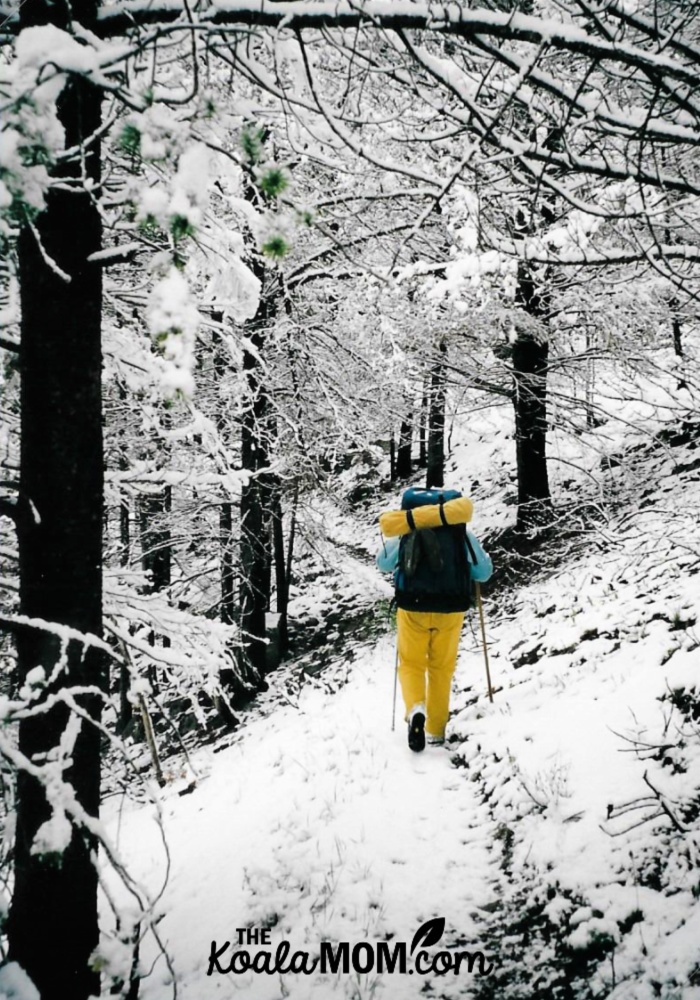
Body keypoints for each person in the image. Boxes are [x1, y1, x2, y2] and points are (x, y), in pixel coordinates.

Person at [377, 505, 492, 752]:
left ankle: (416, 708)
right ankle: (437, 731)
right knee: (441, 667)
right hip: (450, 609)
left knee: (411, 663)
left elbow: (383, 563)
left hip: (412, 607)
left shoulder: (408, 530)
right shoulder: (460, 533)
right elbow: (483, 572)